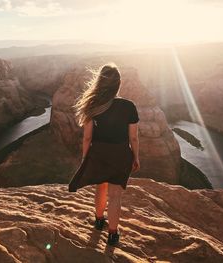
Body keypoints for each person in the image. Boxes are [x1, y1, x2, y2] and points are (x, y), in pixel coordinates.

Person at [68, 62, 140, 246]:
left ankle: (99, 220)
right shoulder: (129, 106)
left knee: (101, 187)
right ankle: (113, 234)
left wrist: (86, 158)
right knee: (116, 195)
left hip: (99, 153)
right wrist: (136, 157)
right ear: (118, 83)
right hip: (121, 154)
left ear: (100, 83)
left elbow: (87, 137)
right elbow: (134, 138)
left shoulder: (93, 106)